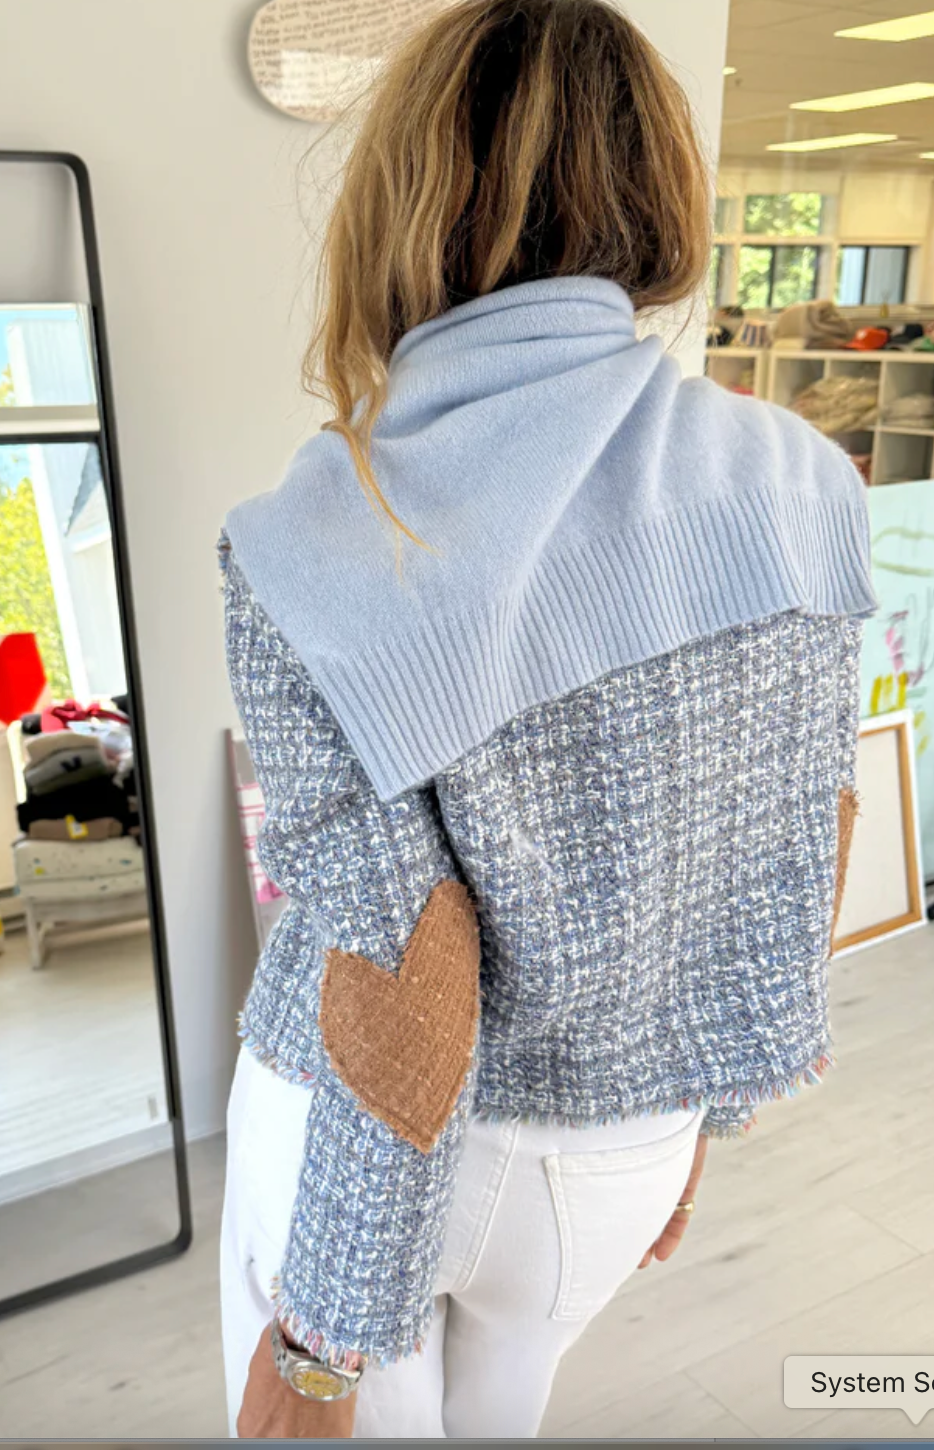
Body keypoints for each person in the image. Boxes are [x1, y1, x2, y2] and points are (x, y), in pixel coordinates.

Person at [219, 0, 874, 1438]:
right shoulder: (800, 479)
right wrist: (697, 1113)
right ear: (659, 189)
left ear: (404, 195)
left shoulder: (316, 533)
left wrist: (319, 1348)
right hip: (618, 1151)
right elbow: (794, 841)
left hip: (367, 1158)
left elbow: (404, 965)